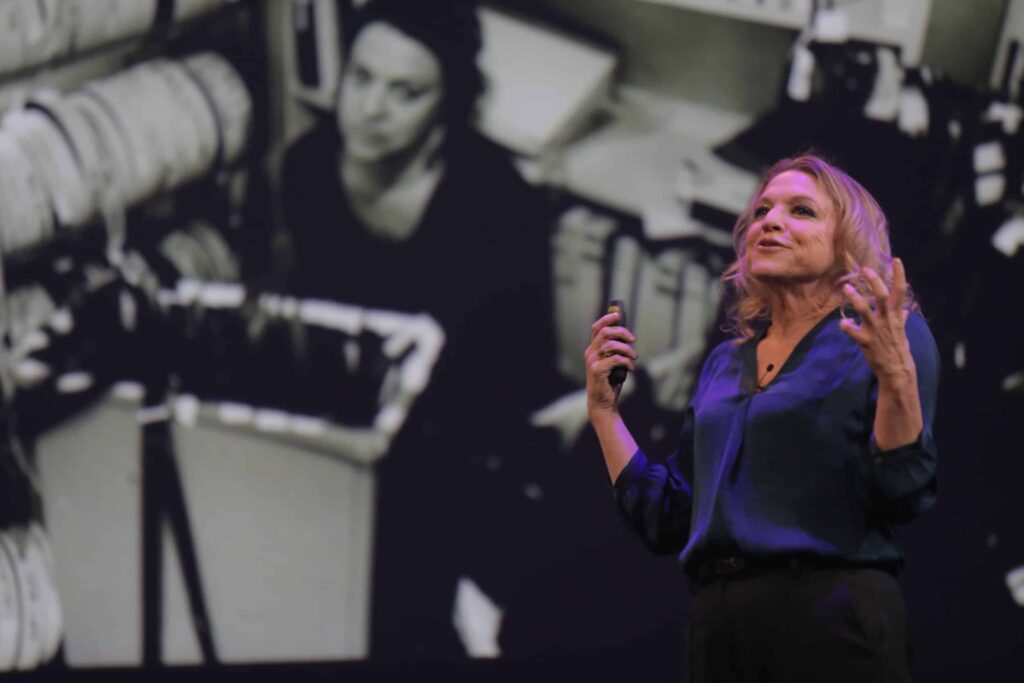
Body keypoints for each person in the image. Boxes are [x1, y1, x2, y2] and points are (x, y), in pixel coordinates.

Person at [585, 154, 939, 682]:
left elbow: (902, 490)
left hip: (831, 616)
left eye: (801, 210)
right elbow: (670, 517)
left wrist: (896, 378)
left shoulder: (885, 335)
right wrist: (604, 413)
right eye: (762, 210)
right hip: (719, 626)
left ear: (848, 241)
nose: (770, 221)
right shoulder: (725, 362)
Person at [279, 0, 561, 661]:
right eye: (361, 77)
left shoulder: (498, 202)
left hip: (459, 452)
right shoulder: (308, 167)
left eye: (406, 92)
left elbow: (518, 376)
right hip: (342, 432)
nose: (370, 108)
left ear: (447, 102)